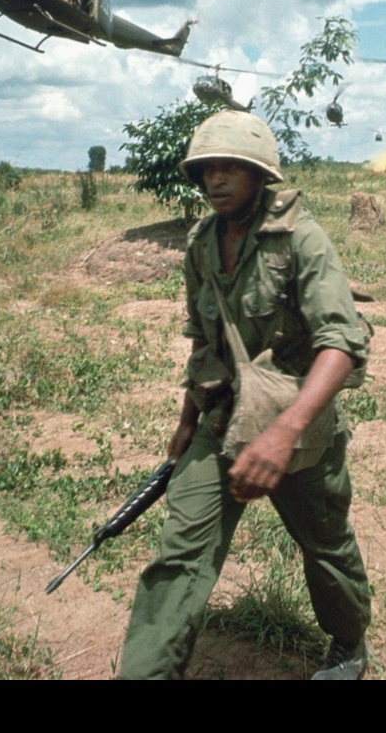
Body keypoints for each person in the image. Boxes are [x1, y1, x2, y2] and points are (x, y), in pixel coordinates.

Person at [118, 110, 373, 680]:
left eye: (232, 167)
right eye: (207, 169)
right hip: (223, 420)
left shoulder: (302, 239)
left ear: (261, 175)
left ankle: (349, 644)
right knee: (179, 556)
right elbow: (203, 341)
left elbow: (342, 344)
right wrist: (188, 419)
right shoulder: (201, 243)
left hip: (298, 424)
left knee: (325, 546)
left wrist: (284, 434)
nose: (217, 180)